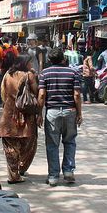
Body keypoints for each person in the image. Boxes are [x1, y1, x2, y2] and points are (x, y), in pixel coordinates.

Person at [38, 47, 82, 187]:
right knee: (70, 142)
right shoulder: (73, 72)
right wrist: (79, 113)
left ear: (49, 60)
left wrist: (39, 113)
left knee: (52, 144)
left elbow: (41, 95)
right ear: (63, 59)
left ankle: (53, 176)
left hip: (52, 112)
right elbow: (76, 94)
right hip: (70, 110)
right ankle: (68, 171)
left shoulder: (45, 73)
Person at [0, 55, 39, 184]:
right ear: (24, 63)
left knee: (10, 143)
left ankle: (13, 174)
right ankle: (21, 168)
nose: (31, 65)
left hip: (9, 113)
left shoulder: (7, 75)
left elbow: (3, 94)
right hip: (25, 113)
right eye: (30, 62)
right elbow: (36, 92)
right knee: (28, 142)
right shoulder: (29, 75)